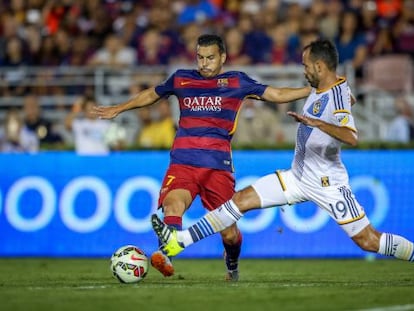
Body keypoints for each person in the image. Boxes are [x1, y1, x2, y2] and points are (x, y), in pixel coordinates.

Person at [151, 39, 414, 265]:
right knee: (239, 201)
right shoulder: (323, 89)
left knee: (368, 241)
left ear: (319, 66)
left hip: (327, 183)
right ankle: (180, 240)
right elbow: (346, 96)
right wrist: (344, 99)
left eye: (306, 65)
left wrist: (318, 122)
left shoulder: (335, 97)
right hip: (297, 178)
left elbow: (351, 136)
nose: (304, 70)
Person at [91, 34, 311, 280]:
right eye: (200, 57)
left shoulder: (237, 82)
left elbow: (277, 94)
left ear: (223, 58)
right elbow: (153, 94)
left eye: (210, 58)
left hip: (218, 168)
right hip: (183, 162)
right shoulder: (182, 78)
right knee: (173, 204)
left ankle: (232, 265)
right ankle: (167, 254)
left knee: (229, 234)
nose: (204, 63)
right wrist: (119, 108)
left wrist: (312, 90)